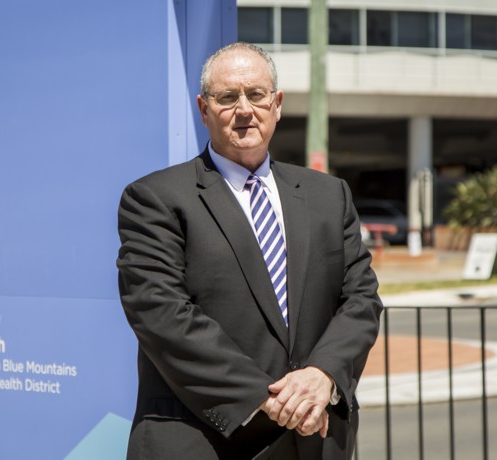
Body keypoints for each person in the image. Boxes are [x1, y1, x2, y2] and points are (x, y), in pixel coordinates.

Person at [117, 42, 383, 459]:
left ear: (276, 104)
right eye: (227, 97)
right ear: (204, 110)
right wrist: (271, 398)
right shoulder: (155, 198)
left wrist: (323, 374)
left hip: (315, 441)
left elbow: (362, 300)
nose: (244, 109)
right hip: (206, 440)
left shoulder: (329, 195)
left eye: (256, 94)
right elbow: (160, 311)